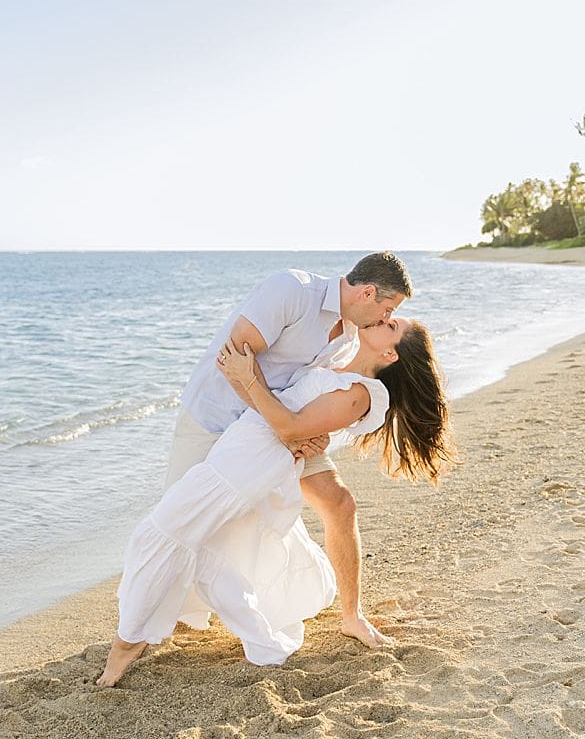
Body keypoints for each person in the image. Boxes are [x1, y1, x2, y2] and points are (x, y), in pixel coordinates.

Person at [97, 318, 453, 685]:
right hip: (238, 450)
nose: (381, 319)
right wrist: (304, 432)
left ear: (389, 354)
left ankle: (127, 643)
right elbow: (297, 423)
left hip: (247, 464)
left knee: (156, 536)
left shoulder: (361, 394)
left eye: (390, 325)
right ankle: (264, 645)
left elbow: (288, 426)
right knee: (208, 553)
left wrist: (249, 379)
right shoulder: (338, 361)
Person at [164, 252, 412, 648]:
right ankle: (155, 623)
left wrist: (313, 432)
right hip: (214, 419)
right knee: (180, 524)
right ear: (367, 293)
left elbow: (314, 389)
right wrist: (286, 430)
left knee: (340, 504)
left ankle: (353, 617)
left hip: (279, 427)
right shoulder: (292, 291)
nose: (386, 318)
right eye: (388, 309)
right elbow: (234, 357)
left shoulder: (349, 336)